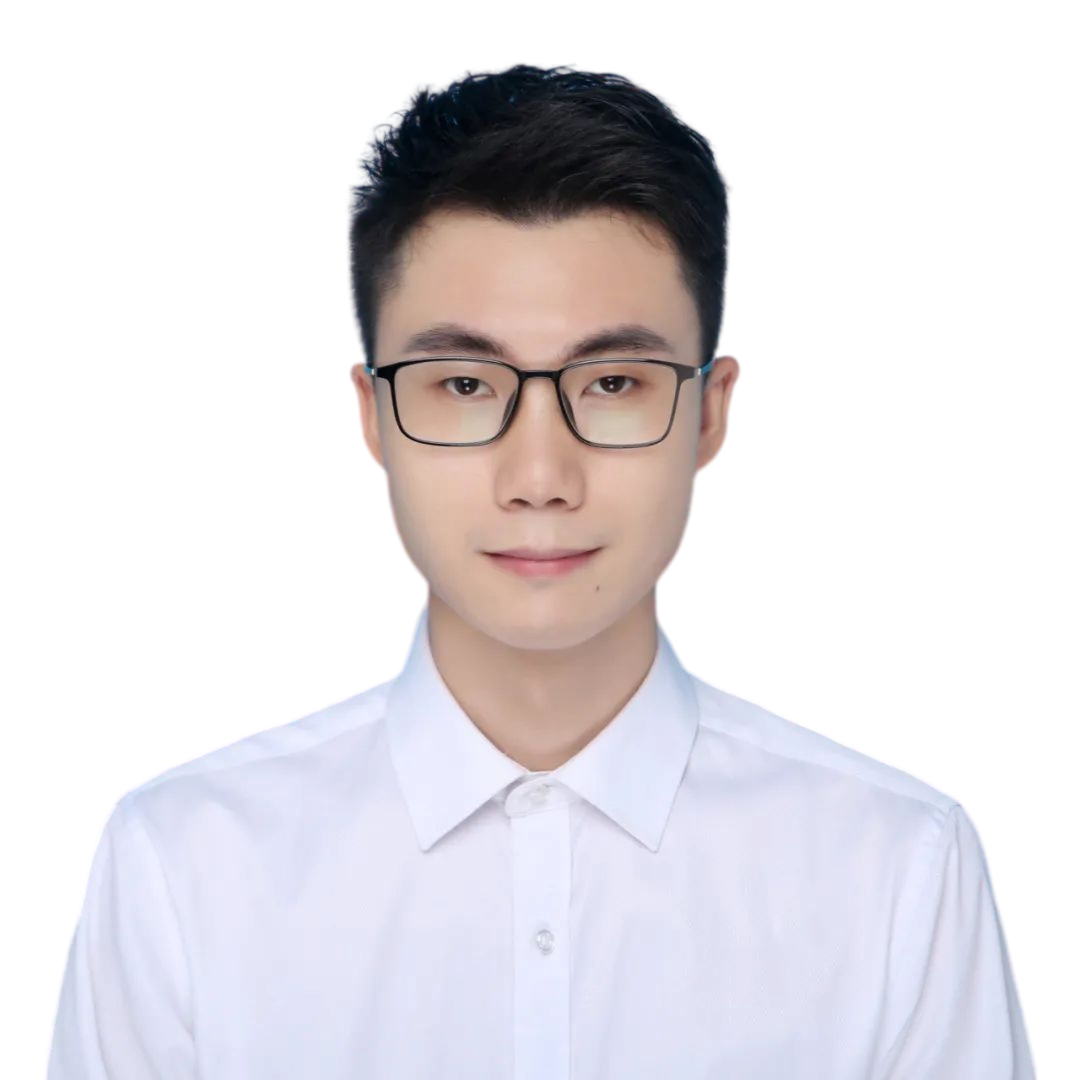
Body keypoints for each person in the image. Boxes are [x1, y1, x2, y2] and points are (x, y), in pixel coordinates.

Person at [47, 63, 1036, 1079]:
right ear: (374, 414)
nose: (539, 479)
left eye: (612, 383)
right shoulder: (184, 869)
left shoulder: (897, 872)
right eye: (463, 384)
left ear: (708, 412)